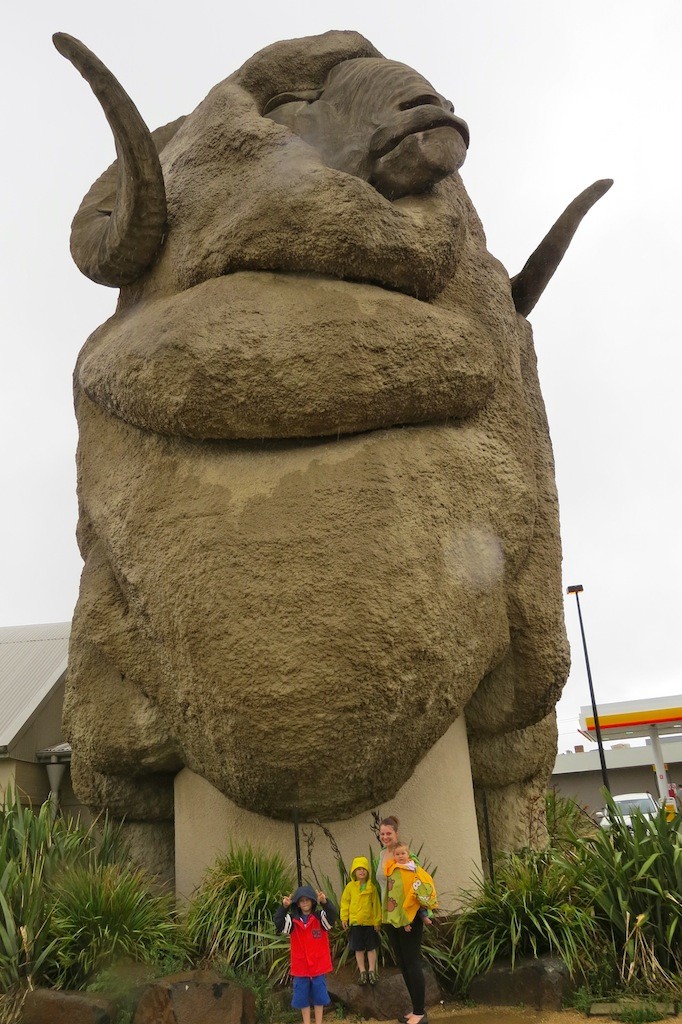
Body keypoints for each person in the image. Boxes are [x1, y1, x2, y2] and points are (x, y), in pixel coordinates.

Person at [377, 815, 430, 1024]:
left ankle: (420, 1011)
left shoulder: (407, 855)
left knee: (412, 961)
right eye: (382, 833)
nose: (385, 836)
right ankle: (415, 1008)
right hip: (390, 916)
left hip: (409, 915)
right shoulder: (381, 855)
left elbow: (420, 882)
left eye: (388, 833)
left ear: (396, 833)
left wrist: (424, 912)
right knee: (402, 962)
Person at [274, 884, 338, 1024]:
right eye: (301, 900)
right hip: (301, 966)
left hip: (318, 965)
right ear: (297, 903)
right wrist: (283, 907)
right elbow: (278, 923)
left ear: (312, 902)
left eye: (307, 900)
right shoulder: (292, 921)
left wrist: (325, 902)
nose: (305, 903)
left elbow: (333, 916)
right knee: (302, 998)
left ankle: (319, 1022)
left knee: (320, 997)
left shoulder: (320, 918)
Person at [340, 855, 382, 984]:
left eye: (364, 869)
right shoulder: (350, 887)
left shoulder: (372, 888)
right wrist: (344, 917)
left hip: (369, 923)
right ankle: (362, 971)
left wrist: (377, 921)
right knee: (358, 948)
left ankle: (371, 971)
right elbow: (345, 903)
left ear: (368, 871)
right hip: (356, 923)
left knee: (371, 947)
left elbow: (376, 905)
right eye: (358, 869)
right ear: (354, 872)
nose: (361, 871)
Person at [383, 843, 437, 933]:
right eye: (397, 854)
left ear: (408, 854)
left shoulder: (413, 866)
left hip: (415, 891)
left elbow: (423, 877)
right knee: (402, 905)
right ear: (394, 856)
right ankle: (405, 923)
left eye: (403, 853)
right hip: (403, 895)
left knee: (420, 903)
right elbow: (394, 887)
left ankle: (424, 916)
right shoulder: (394, 869)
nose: (400, 856)